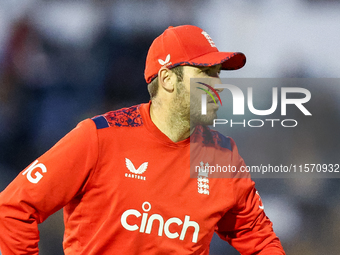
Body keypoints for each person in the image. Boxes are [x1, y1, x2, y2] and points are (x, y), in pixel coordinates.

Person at [0, 25, 285, 254]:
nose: (218, 84)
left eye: (218, 74)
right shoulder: (99, 137)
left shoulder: (221, 156)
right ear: (167, 79)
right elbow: (14, 208)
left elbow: (259, 240)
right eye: (205, 73)